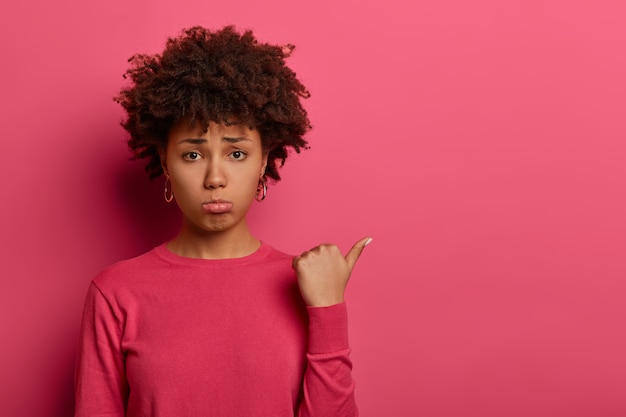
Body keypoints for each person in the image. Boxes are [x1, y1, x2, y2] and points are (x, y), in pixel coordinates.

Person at [74, 26, 371, 417]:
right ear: (165, 161)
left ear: (264, 160)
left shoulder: (307, 284)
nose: (215, 178)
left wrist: (329, 309)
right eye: (193, 155)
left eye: (236, 153)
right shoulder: (116, 293)